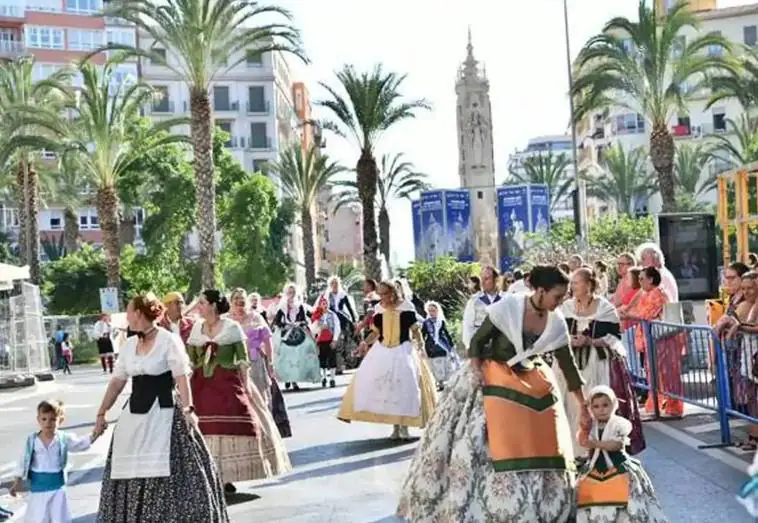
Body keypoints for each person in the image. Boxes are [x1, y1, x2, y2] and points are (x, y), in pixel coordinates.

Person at [397, 265, 589, 522]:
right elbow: (476, 344)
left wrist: (583, 406)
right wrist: (478, 376)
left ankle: (543, 505)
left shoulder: (556, 322)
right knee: (476, 439)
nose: (561, 301)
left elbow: (568, 366)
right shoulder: (508, 308)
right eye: (557, 296)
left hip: (532, 377)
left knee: (548, 429)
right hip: (492, 373)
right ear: (540, 291)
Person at [93, 292, 228, 522]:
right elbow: (117, 382)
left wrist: (188, 410)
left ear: (138, 313)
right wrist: (101, 412)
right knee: (129, 469)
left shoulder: (168, 340)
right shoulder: (130, 345)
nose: (126, 316)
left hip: (165, 412)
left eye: (128, 311)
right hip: (134, 415)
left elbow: (181, 377)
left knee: (173, 468)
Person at [559, 268, 645, 458]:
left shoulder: (605, 308)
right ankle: (574, 451)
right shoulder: (566, 307)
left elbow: (614, 338)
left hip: (596, 364)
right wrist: (570, 340)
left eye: (576, 282)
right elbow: (558, 332)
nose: (572, 287)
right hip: (572, 363)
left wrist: (590, 341)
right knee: (572, 404)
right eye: (571, 283)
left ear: (588, 284)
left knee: (596, 402)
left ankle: (598, 449)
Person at [186, 290, 266, 495]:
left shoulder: (232, 328)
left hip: (228, 383)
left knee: (234, 423)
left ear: (213, 305)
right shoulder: (197, 328)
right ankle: (211, 476)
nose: (199, 307)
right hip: (202, 385)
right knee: (203, 428)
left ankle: (228, 475)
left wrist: (246, 386)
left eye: (202, 303)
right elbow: (192, 361)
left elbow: (242, 359)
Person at [338, 281, 437, 440]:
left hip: (403, 349)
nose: (382, 297)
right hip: (383, 350)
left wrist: (421, 347)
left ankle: (404, 426)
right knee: (386, 388)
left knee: (405, 385)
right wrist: (364, 343)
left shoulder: (406, 307)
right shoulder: (378, 309)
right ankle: (395, 427)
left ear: (392, 293)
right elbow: (376, 332)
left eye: (385, 294)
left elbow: (415, 331)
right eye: (380, 294)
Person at [576, 386, 668, 523]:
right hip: (596, 467)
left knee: (628, 499)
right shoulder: (591, 425)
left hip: (619, 465)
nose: (601, 409)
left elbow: (617, 445)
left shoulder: (619, 424)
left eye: (605, 405)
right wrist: (583, 420)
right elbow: (582, 441)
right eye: (595, 406)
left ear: (614, 404)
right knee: (587, 495)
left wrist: (596, 444)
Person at [10, 400, 97, 523]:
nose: (48, 423)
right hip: (38, 488)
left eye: (52, 419)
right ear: (38, 420)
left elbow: (80, 444)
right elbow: (22, 462)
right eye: (44, 419)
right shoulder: (32, 441)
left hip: (57, 488)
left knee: (58, 518)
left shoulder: (63, 438)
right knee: (39, 518)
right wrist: (17, 482)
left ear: (60, 420)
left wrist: (95, 434)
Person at [624, 267, 684, 417]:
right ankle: (658, 403)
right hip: (651, 340)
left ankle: (673, 406)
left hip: (663, 340)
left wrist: (627, 315)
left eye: (642, 279)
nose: (640, 282)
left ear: (650, 279)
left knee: (667, 373)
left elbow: (646, 315)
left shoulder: (658, 293)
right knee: (654, 374)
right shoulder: (648, 293)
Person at [272, 283, 319, 391]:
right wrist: (286, 325)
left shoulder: (300, 306)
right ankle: (288, 378)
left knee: (300, 353)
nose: (291, 295)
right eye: (289, 292)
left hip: (297, 333)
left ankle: (295, 379)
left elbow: (304, 320)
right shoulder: (282, 307)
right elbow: (277, 322)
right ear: (286, 293)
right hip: (285, 334)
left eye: (293, 292)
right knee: (285, 355)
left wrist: (299, 324)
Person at [461, 265, 503, 349]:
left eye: (487, 278)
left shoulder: (505, 300)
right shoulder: (474, 301)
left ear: (496, 280)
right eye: (482, 278)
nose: (483, 282)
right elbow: (467, 326)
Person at [421, 301, 457, 390]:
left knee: (443, 363)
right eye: (429, 311)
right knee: (434, 364)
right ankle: (439, 382)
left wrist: (451, 345)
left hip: (441, 345)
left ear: (437, 311)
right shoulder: (426, 323)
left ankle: (446, 381)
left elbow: (446, 333)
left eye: (433, 310)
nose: (431, 313)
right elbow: (423, 334)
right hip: (431, 346)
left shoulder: (441, 322)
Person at [310, 295, 341, 388]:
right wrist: (319, 327)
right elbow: (313, 329)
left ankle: (332, 378)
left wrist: (335, 340)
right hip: (321, 340)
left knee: (332, 358)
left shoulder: (333, 315)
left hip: (330, 339)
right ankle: (324, 377)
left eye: (326, 303)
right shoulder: (317, 316)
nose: (325, 305)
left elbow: (337, 327)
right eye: (323, 303)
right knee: (322, 359)